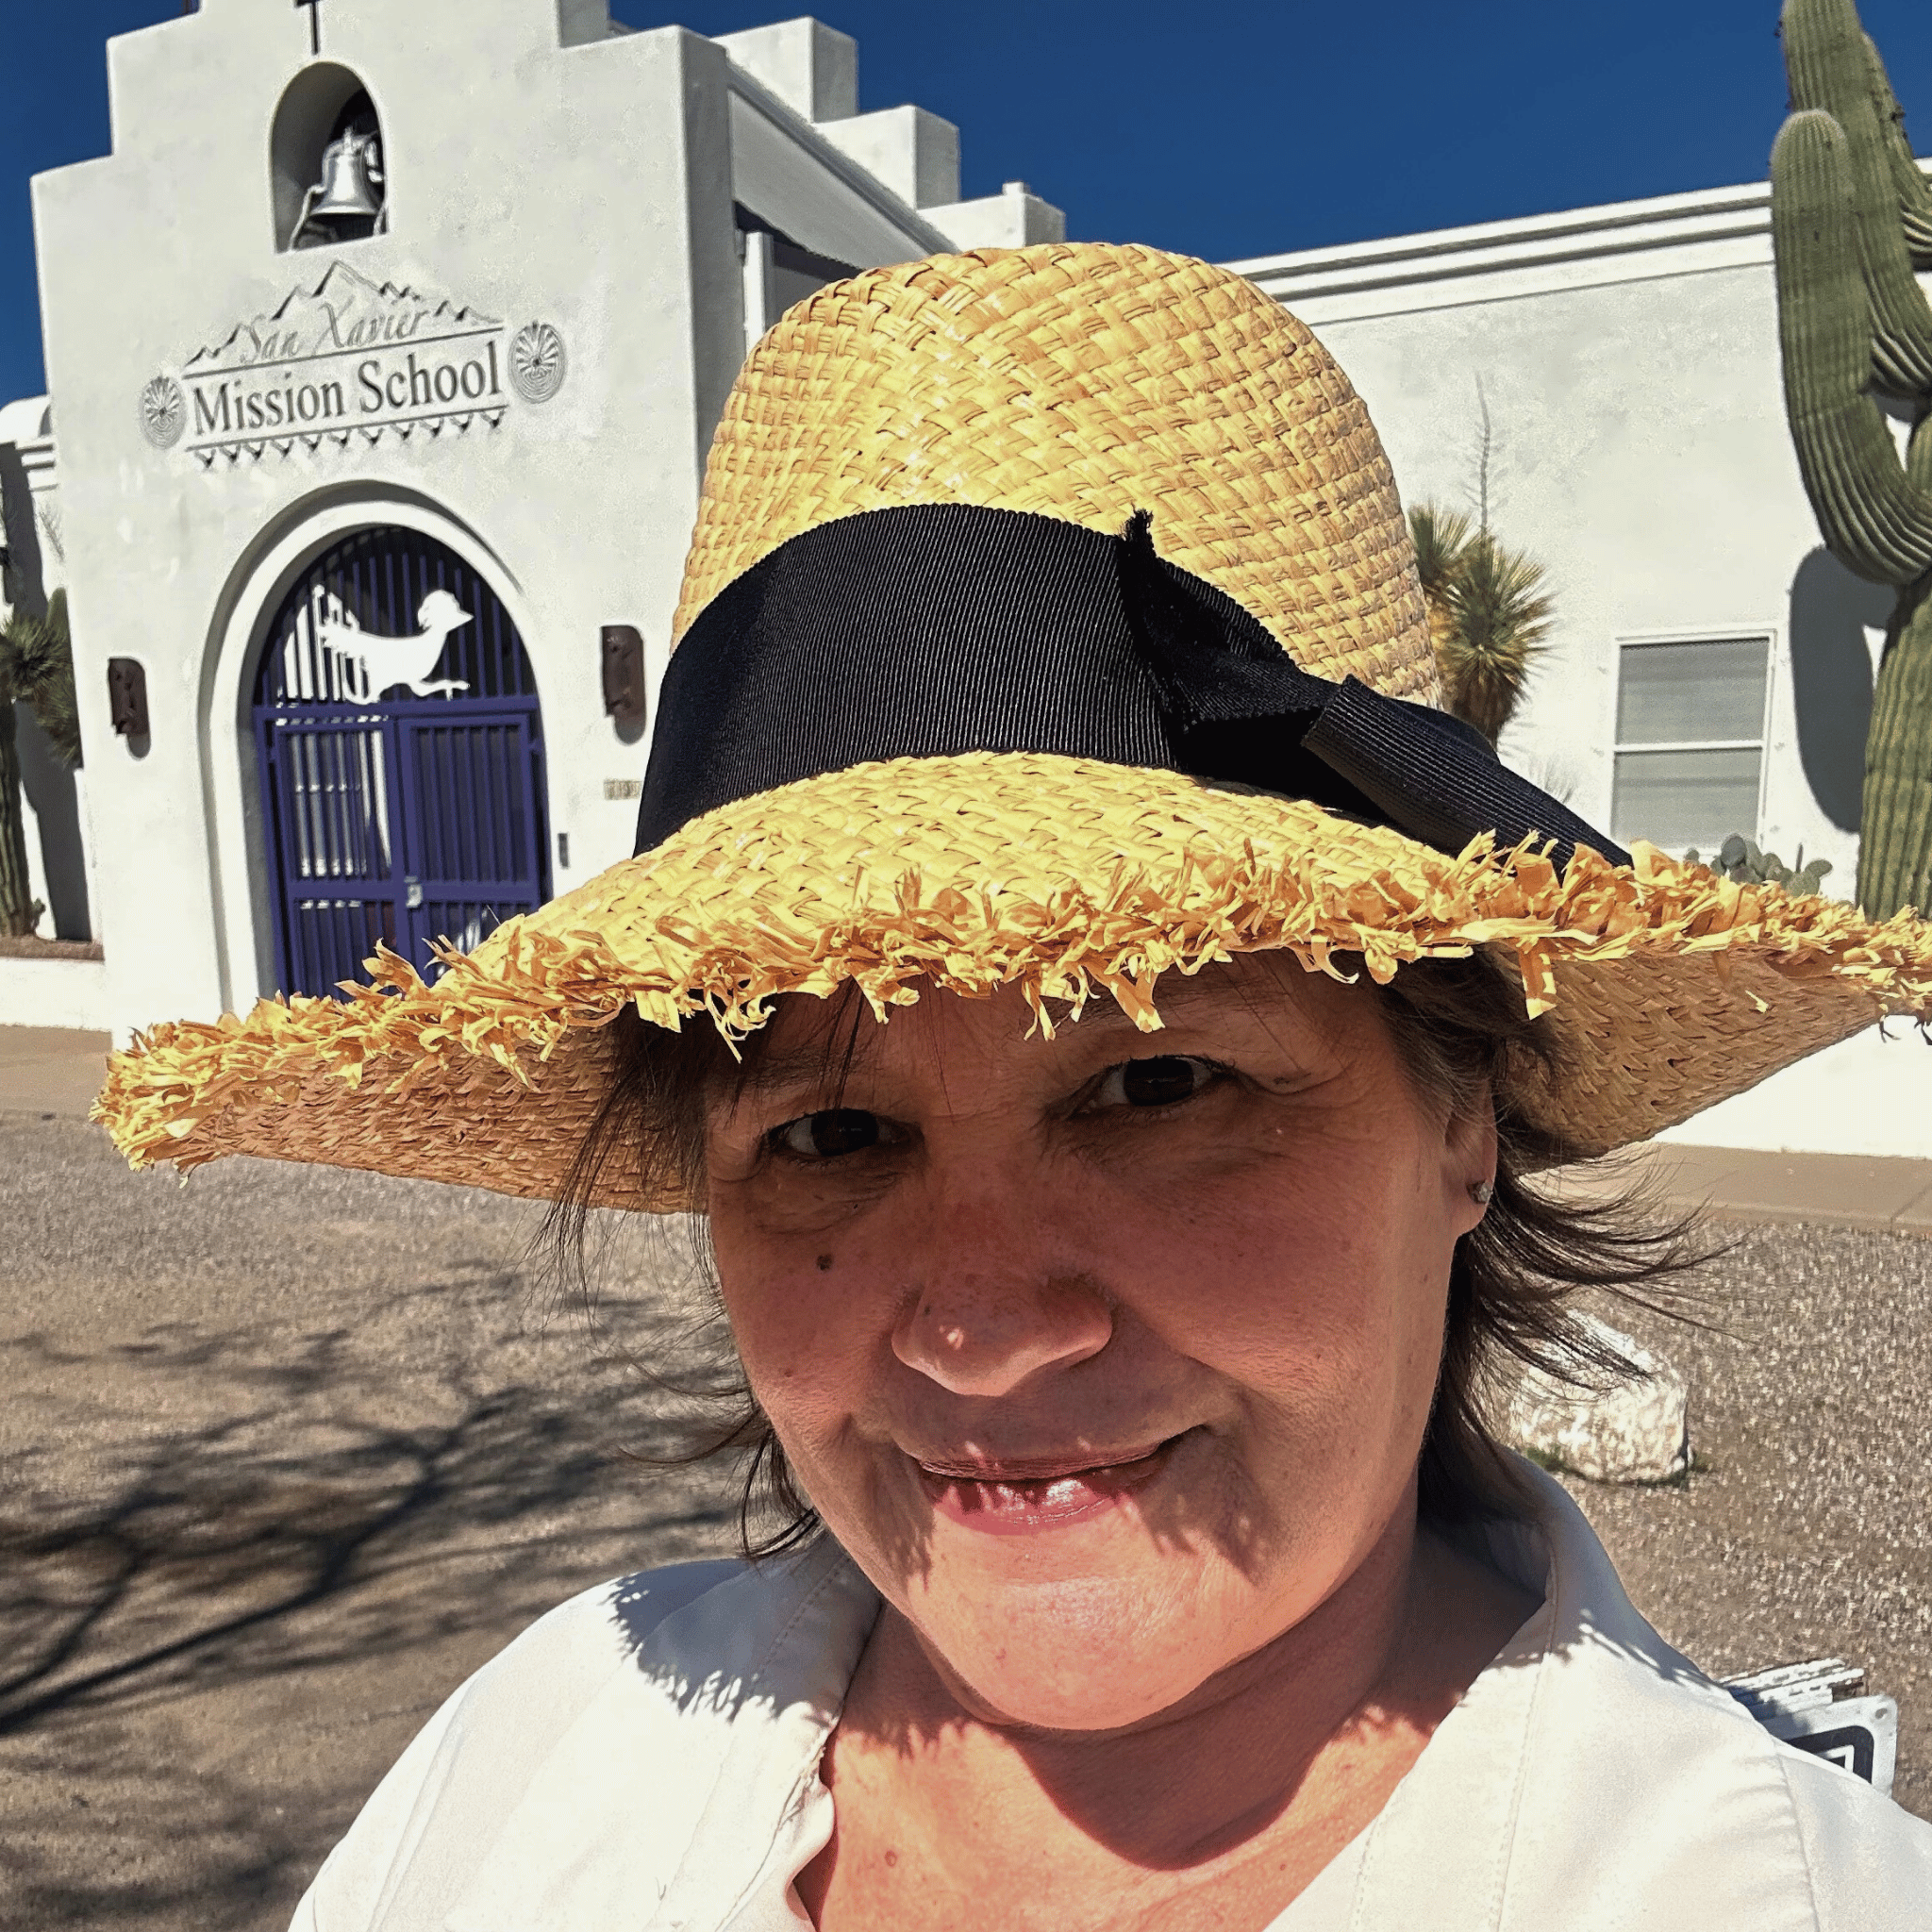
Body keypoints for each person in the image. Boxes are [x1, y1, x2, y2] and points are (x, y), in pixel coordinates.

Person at [97, 243, 1932, 1929]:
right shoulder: (542, 1751)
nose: (980, 1334)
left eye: (1157, 1085)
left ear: (1463, 1112)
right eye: (829, 1132)